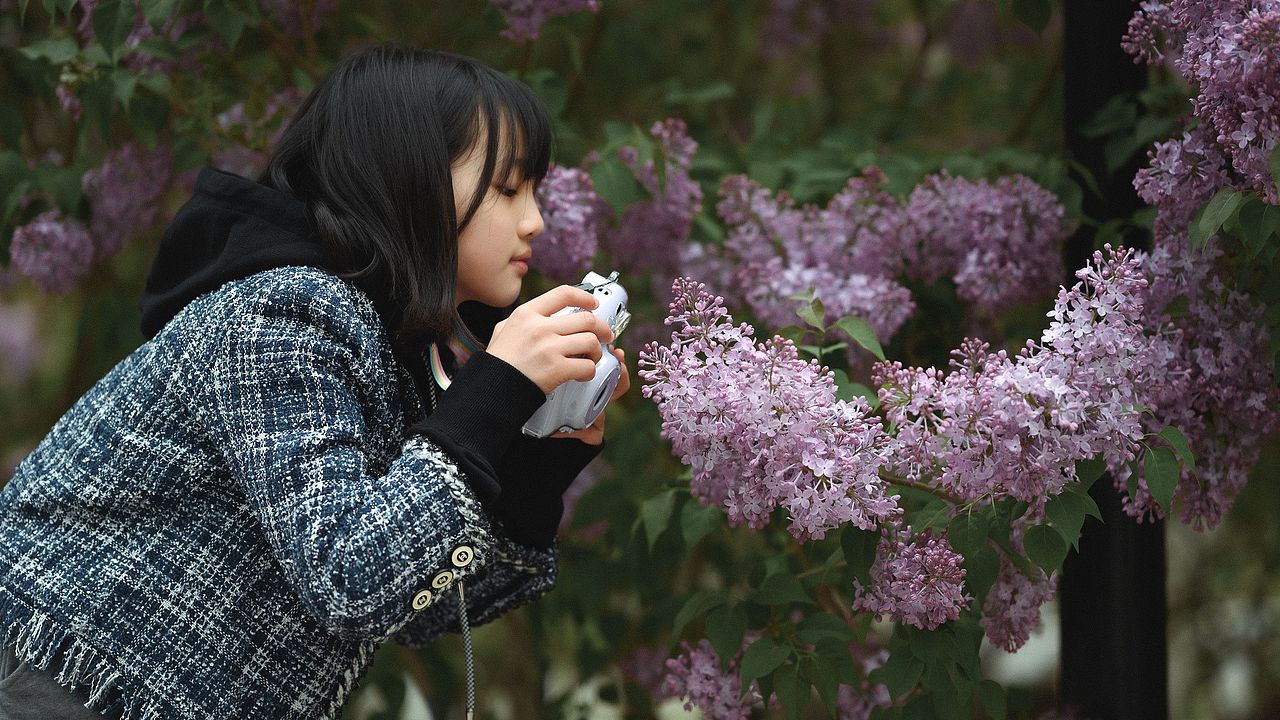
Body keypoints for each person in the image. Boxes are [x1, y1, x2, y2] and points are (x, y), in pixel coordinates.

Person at [0, 43, 626, 720]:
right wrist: (494, 391)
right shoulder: (288, 312)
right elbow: (351, 579)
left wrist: (537, 465)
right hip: (60, 687)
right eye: (508, 187)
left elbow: (408, 602)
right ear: (406, 178)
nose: (535, 219)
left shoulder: (394, 348)